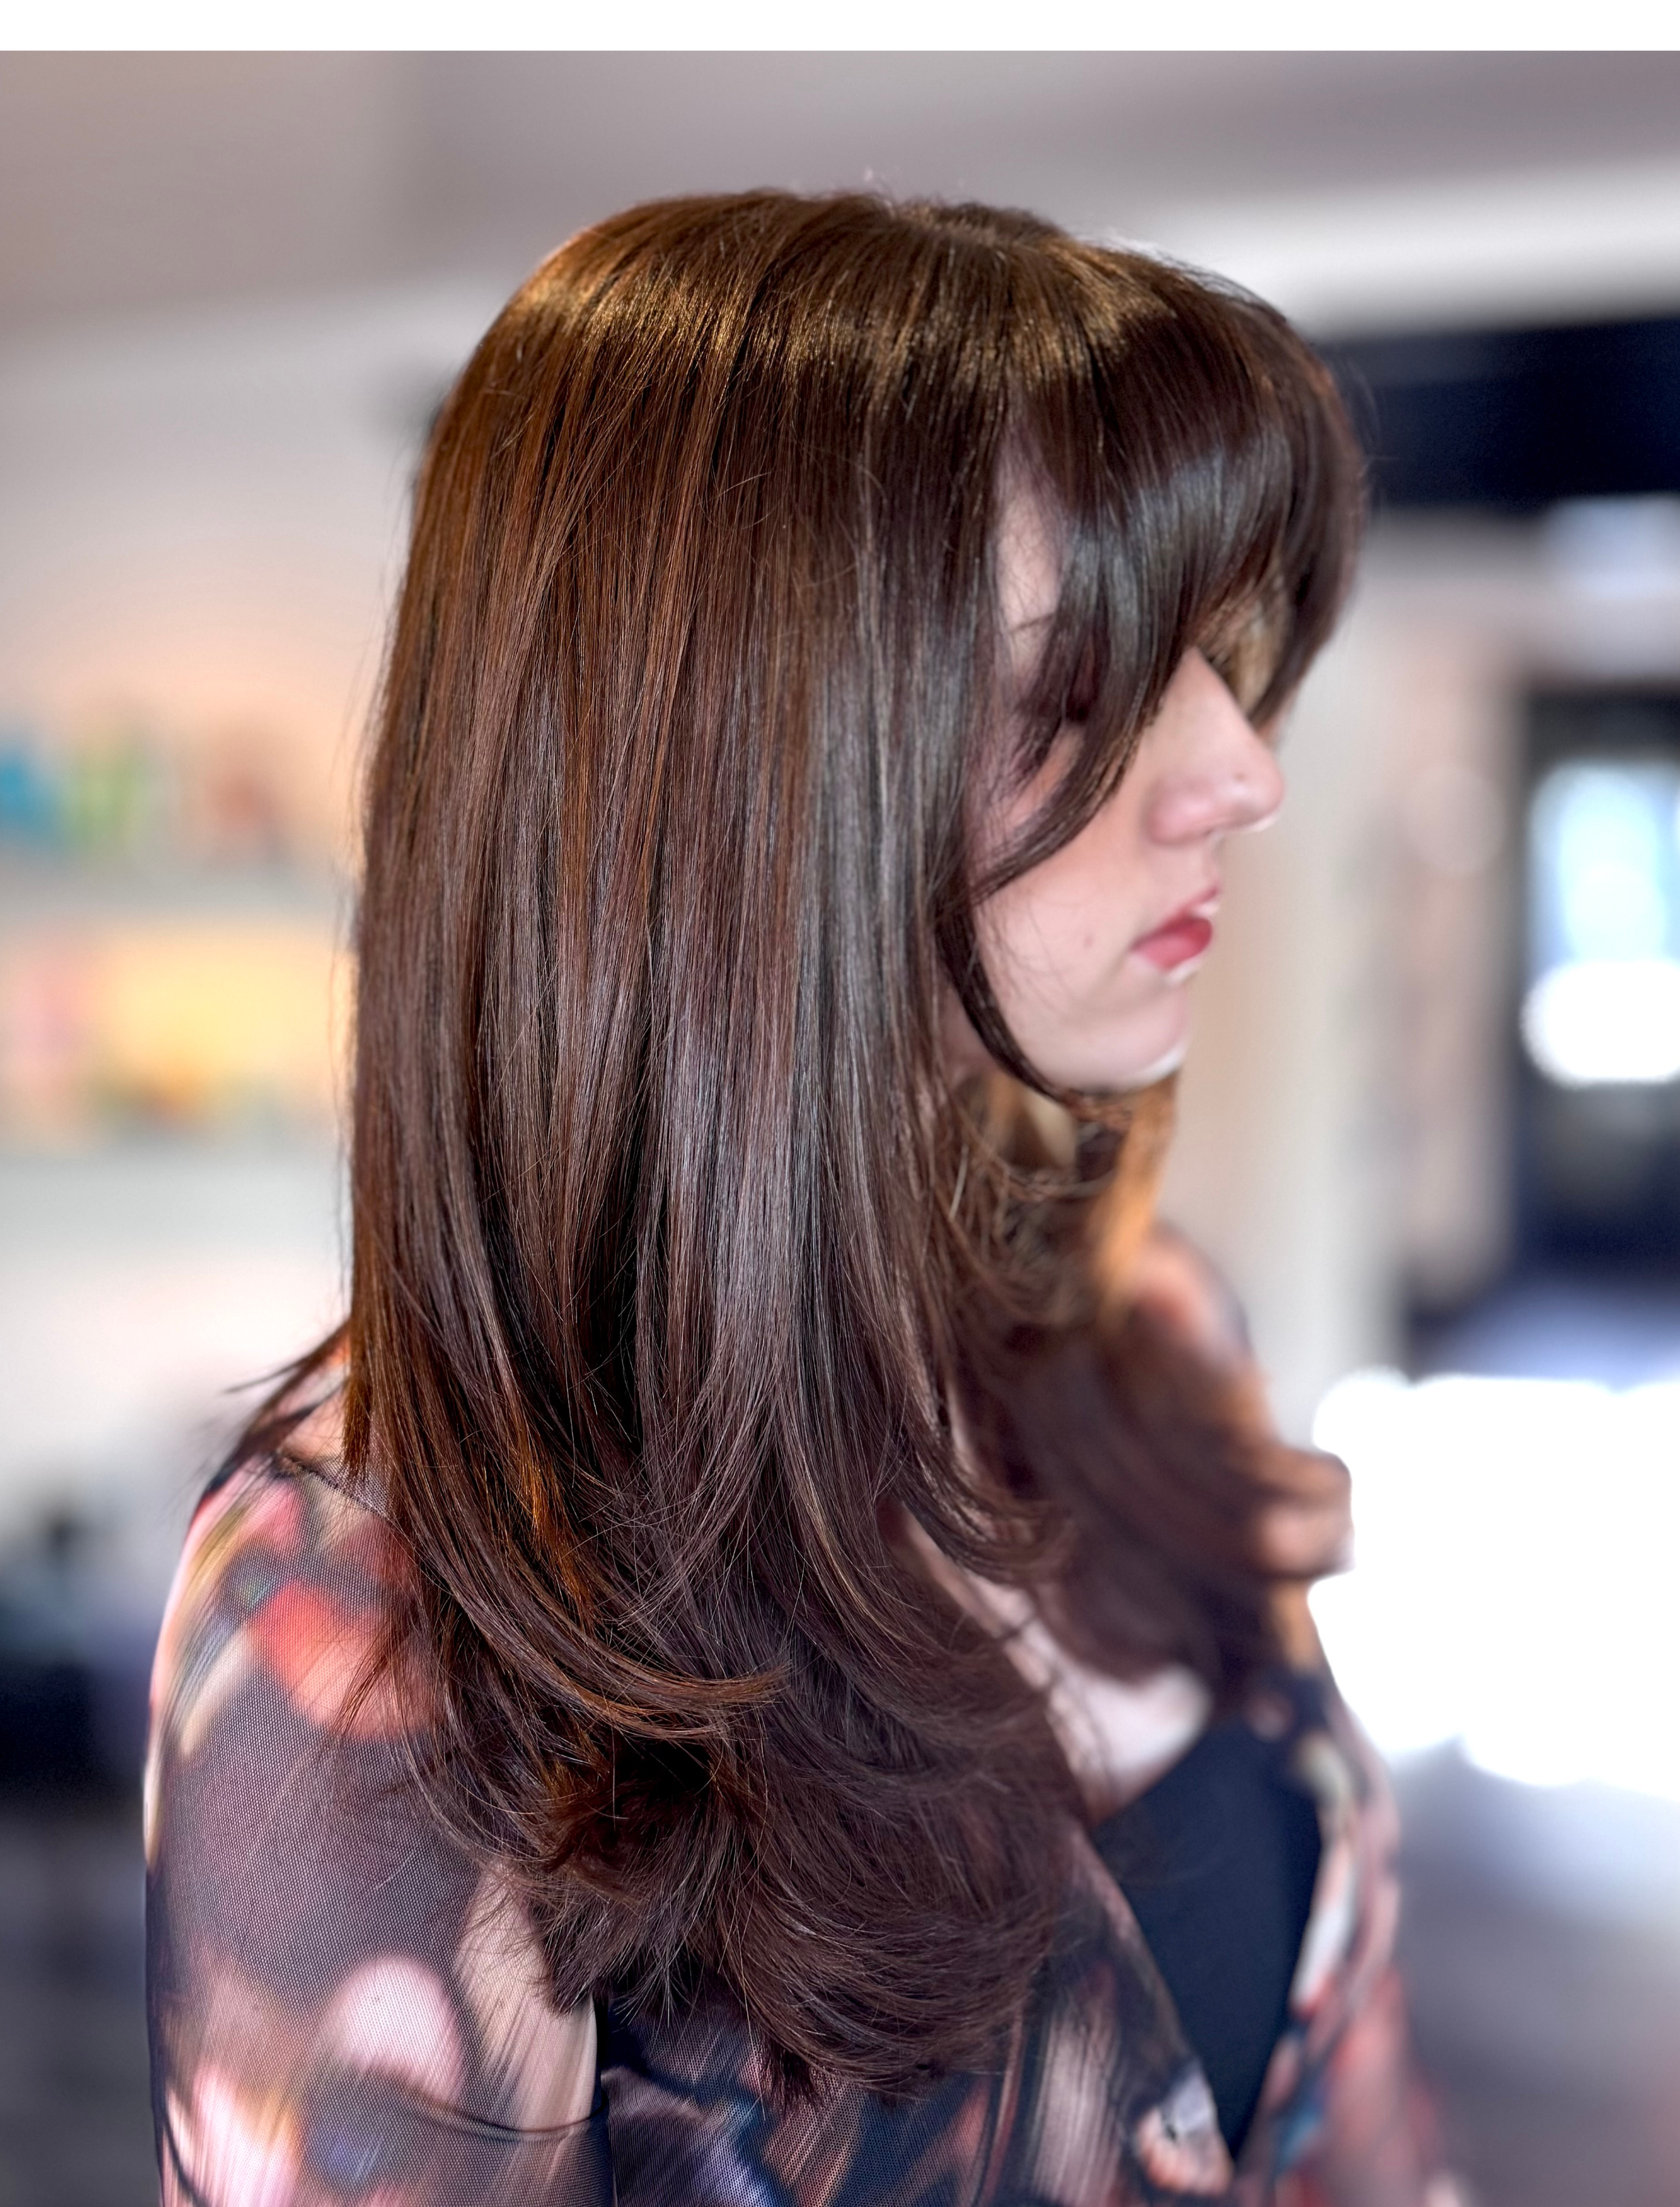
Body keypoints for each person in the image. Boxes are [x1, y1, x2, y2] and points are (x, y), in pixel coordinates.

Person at [145, 190, 1455, 2206]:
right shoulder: (372, 1625)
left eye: (1220, 651)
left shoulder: (1148, 1332)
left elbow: (1358, 2135)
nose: (1236, 769)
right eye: (1085, 680)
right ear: (726, 782)